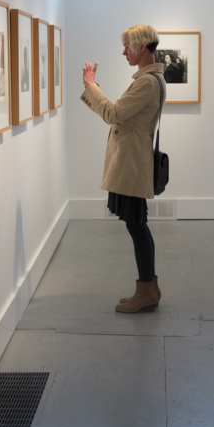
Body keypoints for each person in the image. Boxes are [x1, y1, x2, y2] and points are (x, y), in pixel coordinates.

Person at [81, 25, 166, 313]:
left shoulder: (147, 82)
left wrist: (92, 86)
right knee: (137, 224)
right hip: (132, 159)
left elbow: (114, 114)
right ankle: (149, 288)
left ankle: (146, 290)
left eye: (127, 46)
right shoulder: (150, 79)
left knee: (137, 225)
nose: (124, 51)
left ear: (142, 46)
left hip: (131, 162)